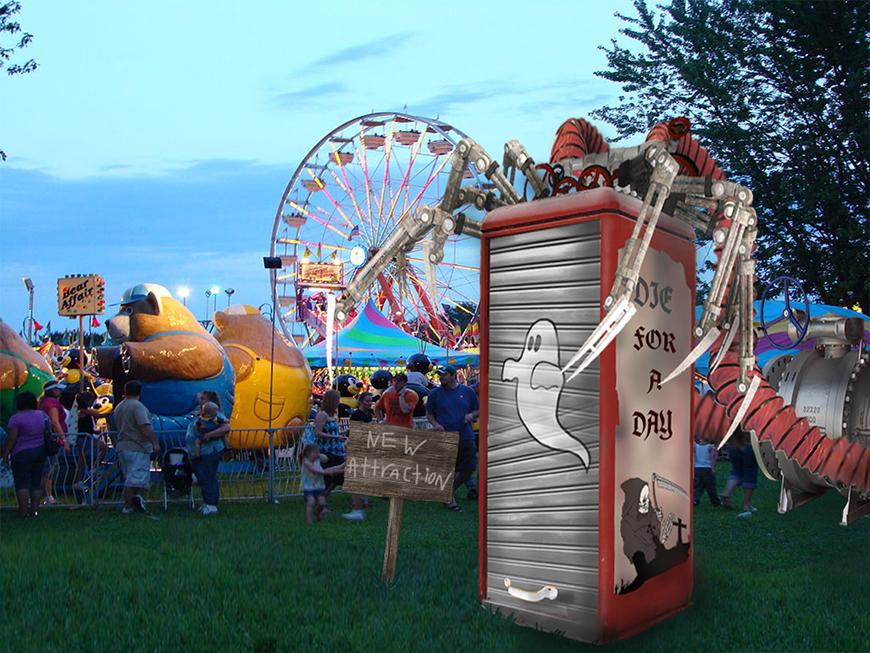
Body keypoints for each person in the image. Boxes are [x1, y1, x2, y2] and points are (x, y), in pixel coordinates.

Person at [427, 365, 479, 512]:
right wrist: (435, 424)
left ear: (452, 375)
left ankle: (448, 492)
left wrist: (471, 415)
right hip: (445, 436)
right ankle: (450, 499)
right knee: (448, 468)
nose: (440, 377)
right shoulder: (434, 394)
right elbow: (429, 414)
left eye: (443, 375)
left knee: (469, 468)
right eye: (439, 375)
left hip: (466, 435)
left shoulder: (467, 391)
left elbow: (478, 409)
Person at [313, 390, 366, 521]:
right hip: (326, 451)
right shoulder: (322, 415)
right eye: (337, 399)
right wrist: (335, 436)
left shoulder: (332, 415)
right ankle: (322, 504)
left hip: (337, 450)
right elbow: (318, 433)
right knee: (330, 479)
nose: (339, 402)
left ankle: (322, 504)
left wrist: (343, 433)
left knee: (335, 479)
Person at [113, 380, 160, 514]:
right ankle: (128, 506)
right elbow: (144, 426)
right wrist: (154, 442)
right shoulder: (137, 406)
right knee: (134, 480)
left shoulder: (120, 406)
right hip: (137, 446)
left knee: (130, 477)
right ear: (140, 392)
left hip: (123, 445)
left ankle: (134, 502)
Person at [2, 392, 48, 517]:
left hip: (21, 452)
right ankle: (35, 510)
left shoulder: (16, 418)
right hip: (40, 450)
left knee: (22, 483)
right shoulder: (41, 415)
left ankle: (23, 511)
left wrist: (5, 454)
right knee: (36, 482)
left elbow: (12, 438)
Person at [185, 400, 229, 515]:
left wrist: (209, 435)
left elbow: (226, 427)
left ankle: (211, 504)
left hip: (209, 451)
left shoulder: (217, 416)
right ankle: (207, 502)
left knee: (207, 476)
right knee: (203, 476)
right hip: (202, 451)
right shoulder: (201, 416)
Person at [39, 381, 70, 504]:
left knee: (48, 468)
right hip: (53, 440)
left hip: (48, 439)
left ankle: (45, 495)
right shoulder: (52, 403)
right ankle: (48, 496)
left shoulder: (44, 402)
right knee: (49, 469)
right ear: (53, 390)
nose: (61, 391)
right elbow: (55, 422)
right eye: (58, 389)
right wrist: (64, 440)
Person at [300, 442, 345, 524]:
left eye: (318, 452)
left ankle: (317, 513)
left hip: (319, 486)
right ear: (308, 453)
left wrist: (343, 466)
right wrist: (328, 472)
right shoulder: (305, 461)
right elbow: (315, 471)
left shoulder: (317, 461)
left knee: (322, 503)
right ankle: (309, 520)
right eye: (315, 452)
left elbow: (328, 469)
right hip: (308, 487)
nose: (318, 454)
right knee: (311, 502)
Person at [720, 428, 758, 518]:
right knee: (750, 473)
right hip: (748, 444)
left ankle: (727, 492)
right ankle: (747, 505)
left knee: (737, 471)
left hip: (733, 444)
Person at [693, 435, 721, 507]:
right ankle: (715, 502)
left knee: (697, 486)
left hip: (697, 468)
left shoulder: (695, 446)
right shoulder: (710, 447)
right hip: (707, 468)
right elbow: (712, 458)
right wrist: (713, 468)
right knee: (711, 487)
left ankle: (695, 499)